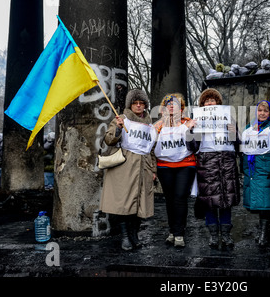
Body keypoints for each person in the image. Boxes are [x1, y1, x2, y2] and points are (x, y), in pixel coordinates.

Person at [99, 89, 157, 251]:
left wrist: (153, 170)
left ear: (145, 105)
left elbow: (151, 149)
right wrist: (117, 129)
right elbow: (109, 139)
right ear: (130, 105)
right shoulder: (121, 119)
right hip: (125, 167)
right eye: (135, 103)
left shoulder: (149, 123)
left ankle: (134, 235)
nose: (138, 106)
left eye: (141, 103)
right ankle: (125, 237)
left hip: (144, 167)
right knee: (124, 203)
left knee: (139, 203)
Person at [192, 88, 241, 249]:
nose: (210, 103)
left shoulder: (229, 119)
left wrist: (235, 133)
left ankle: (226, 235)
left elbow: (238, 144)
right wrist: (191, 130)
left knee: (226, 201)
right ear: (203, 104)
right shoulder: (197, 120)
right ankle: (213, 236)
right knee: (209, 202)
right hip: (207, 163)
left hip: (226, 162)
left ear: (218, 103)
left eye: (213, 100)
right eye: (207, 101)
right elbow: (191, 146)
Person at [154, 93, 196, 248]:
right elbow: (149, 147)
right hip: (164, 167)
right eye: (168, 103)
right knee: (170, 199)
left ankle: (179, 234)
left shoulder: (189, 123)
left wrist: (192, 131)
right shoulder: (157, 126)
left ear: (181, 107)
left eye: (176, 104)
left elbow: (196, 145)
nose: (172, 106)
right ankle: (172, 231)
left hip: (185, 165)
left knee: (180, 197)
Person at [241, 100, 270, 247]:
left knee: (265, 199)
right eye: (260, 111)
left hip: (268, 167)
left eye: (265, 111)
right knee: (261, 200)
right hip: (253, 168)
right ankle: (267, 231)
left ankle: (264, 232)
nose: (262, 113)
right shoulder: (250, 127)